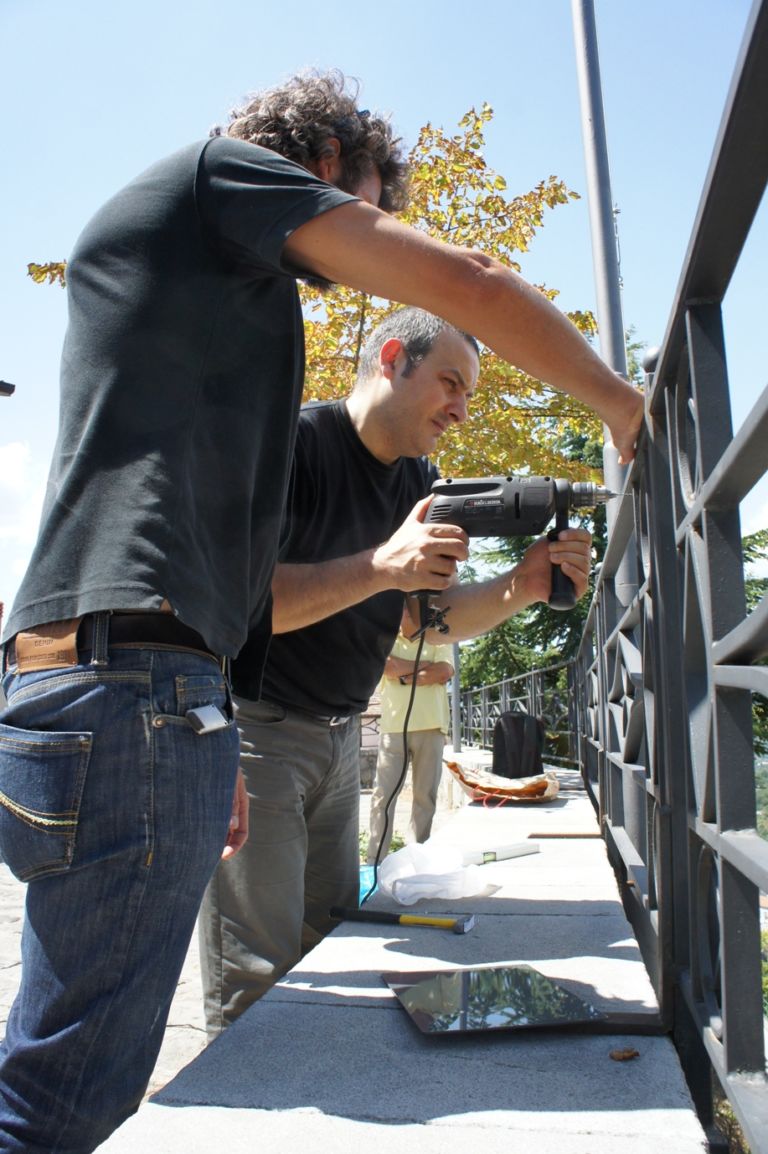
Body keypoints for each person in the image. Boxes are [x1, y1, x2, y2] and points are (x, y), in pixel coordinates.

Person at [0, 67, 641, 1149]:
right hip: (135, 692)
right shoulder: (220, 177)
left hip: (150, 690)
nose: (361, 252)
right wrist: (622, 407)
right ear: (328, 168)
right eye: (370, 212)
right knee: (63, 1099)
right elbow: (471, 278)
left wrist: (218, 719)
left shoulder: (217, 317)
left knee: (69, 1065)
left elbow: (228, 562)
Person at [199, 306, 601, 1035]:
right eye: (451, 383)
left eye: (470, 395)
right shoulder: (292, 446)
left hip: (341, 733)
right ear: (392, 359)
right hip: (257, 734)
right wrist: (384, 565)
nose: (461, 408)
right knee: (254, 973)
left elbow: (424, 615)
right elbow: (244, 610)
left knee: (326, 942)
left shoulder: (420, 481)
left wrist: (525, 585)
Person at [368, 601, 454, 862]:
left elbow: (443, 671)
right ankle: (375, 861)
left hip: (432, 726)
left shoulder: (438, 636)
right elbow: (388, 667)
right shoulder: (386, 637)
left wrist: (405, 675)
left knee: (424, 797)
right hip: (394, 727)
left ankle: (416, 857)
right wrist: (422, 666)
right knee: (383, 796)